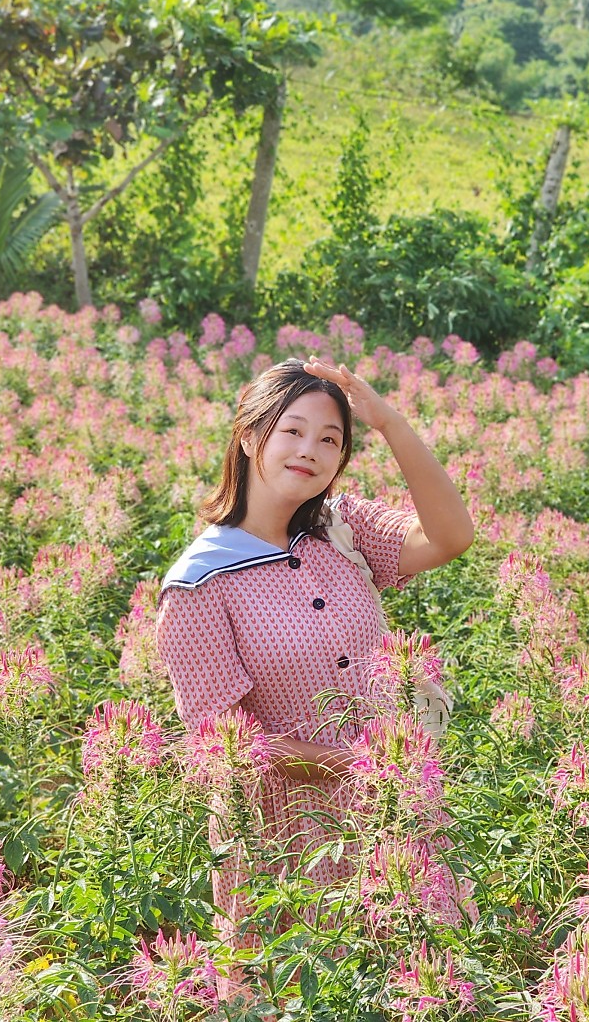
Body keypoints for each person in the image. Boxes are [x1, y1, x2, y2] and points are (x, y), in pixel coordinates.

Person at [155, 356, 474, 997]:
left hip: (394, 817)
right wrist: (364, 763)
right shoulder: (199, 583)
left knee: (413, 989)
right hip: (286, 848)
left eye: (330, 439)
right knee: (303, 994)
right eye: (293, 431)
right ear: (251, 436)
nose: (311, 450)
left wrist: (386, 420)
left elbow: (450, 535)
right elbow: (229, 747)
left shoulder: (342, 529)